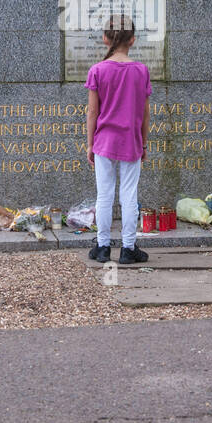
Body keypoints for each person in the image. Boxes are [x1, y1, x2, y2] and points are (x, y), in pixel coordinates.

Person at [85, 14, 152, 265]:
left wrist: (90, 144)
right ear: (132, 40)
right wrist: (143, 142)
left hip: (104, 140)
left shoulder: (98, 70)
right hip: (131, 140)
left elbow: (93, 112)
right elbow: (145, 113)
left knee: (104, 195)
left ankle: (102, 248)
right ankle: (128, 248)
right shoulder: (141, 71)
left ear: (105, 39)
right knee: (129, 195)